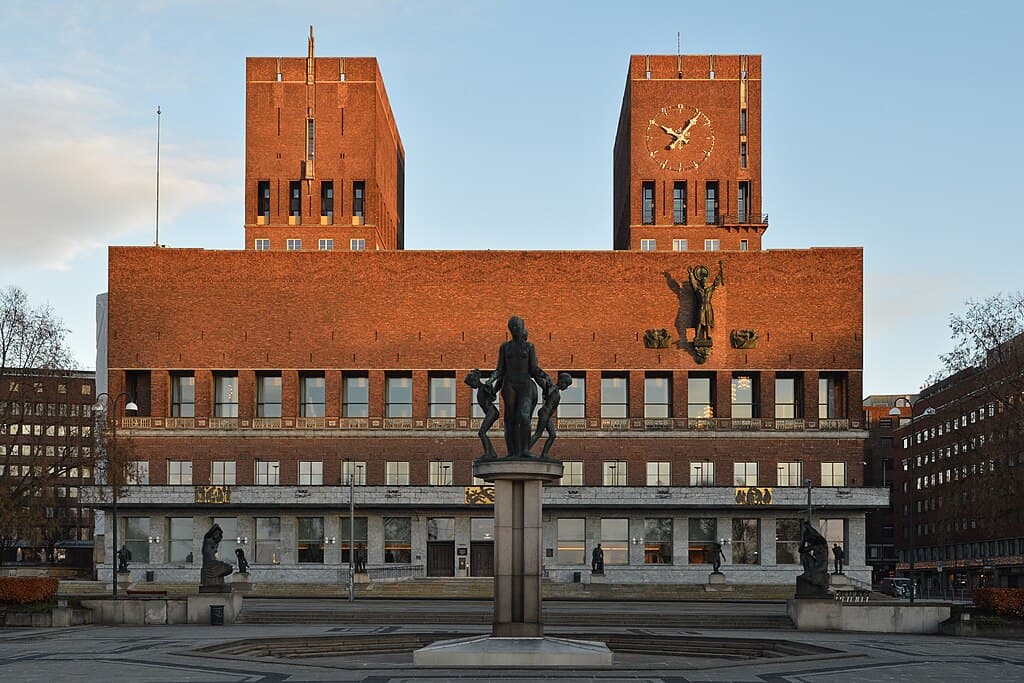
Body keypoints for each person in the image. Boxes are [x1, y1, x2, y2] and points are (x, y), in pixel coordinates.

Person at [489, 316, 551, 458]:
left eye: (519, 326)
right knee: (510, 418)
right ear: (510, 329)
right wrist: (490, 380)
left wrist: (545, 376)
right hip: (509, 384)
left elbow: (534, 368)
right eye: (514, 327)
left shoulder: (529, 347)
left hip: (525, 383)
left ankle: (524, 449)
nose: (517, 329)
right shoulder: (505, 347)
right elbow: (500, 369)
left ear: (522, 328)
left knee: (523, 416)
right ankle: (512, 451)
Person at [530, 372, 573, 458]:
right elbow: (541, 382)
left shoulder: (556, 390)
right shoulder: (551, 388)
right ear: (561, 382)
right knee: (538, 433)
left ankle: (544, 454)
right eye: (566, 384)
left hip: (548, 415)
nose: (566, 387)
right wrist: (536, 374)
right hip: (545, 413)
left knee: (552, 435)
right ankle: (525, 450)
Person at [464, 369, 499, 459]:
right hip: (490, 412)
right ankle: (492, 453)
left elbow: (493, 397)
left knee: (482, 433)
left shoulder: (483, 387)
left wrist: (490, 386)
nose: (471, 387)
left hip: (492, 412)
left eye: (471, 384)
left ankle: (489, 453)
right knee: (482, 433)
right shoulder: (481, 388)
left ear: (475, 380)